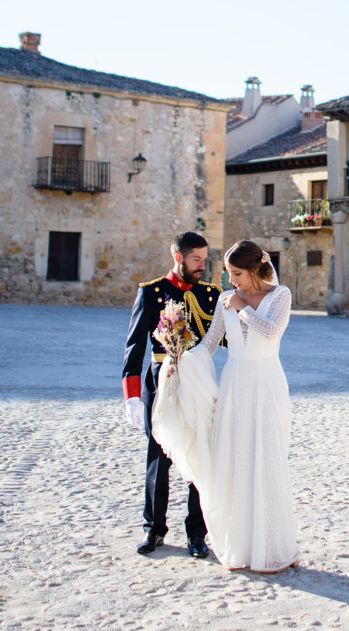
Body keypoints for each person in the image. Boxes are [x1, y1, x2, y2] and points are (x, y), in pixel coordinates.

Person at [152, 239, 298, 573]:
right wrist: (180, 360)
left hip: (267, 383)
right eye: (229, 274)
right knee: (235, 461)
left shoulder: (281, 295)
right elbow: (208, 345)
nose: (232, 281)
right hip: (234, 385)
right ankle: (242, 547)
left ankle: (275, 548)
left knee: (267, 459)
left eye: (237, 274)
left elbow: (271, 330)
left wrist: (242, 308)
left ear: (255, 270)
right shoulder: (223, 300)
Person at [122, 231, 221, 558]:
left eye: (204, 259)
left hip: (198, 381)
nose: (202, 265)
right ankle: (154, 528)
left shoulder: (210, 294)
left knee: (199, 451)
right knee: (158, 456)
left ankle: (197, 533)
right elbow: (135, 346)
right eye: (196, 259)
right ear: (178, 257)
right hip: (160, 380)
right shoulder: (151, 292)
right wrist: (132, 396)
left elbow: (225, 339)